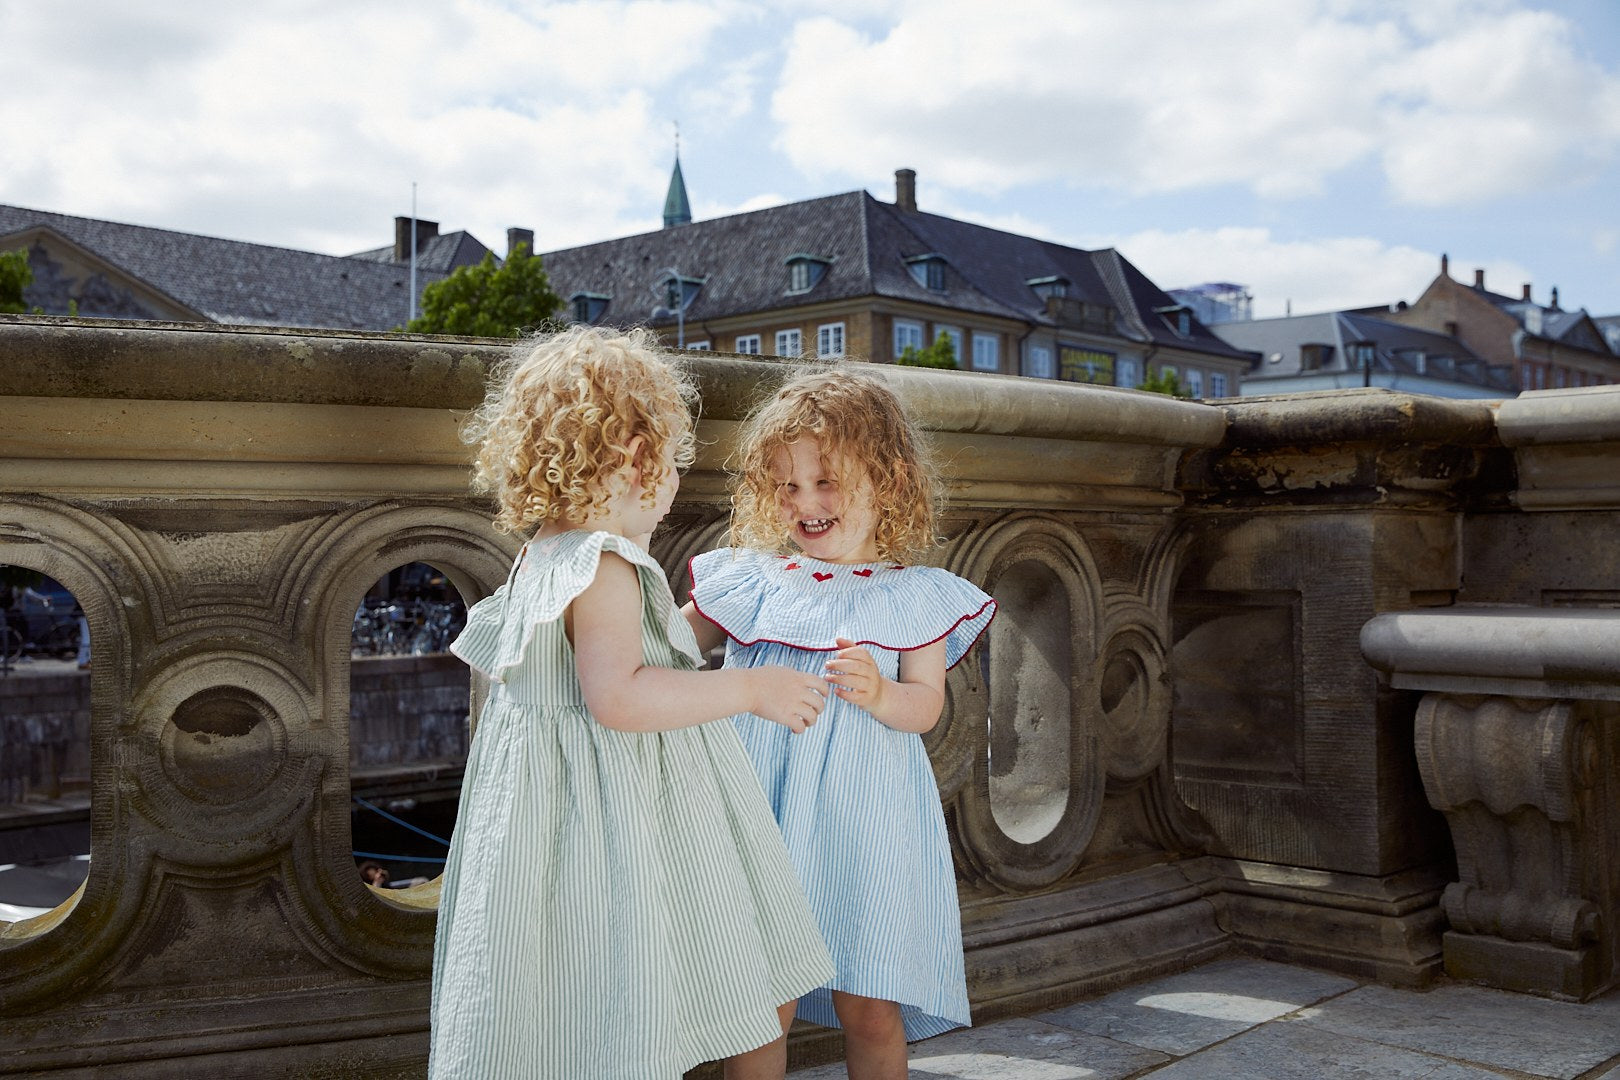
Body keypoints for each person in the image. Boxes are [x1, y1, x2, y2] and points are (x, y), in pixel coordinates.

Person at [429, 326, 835, 1080]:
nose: (675, 481)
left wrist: (699, 623)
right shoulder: (605, 564)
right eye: (672, 461)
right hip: (621, 820)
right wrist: (751, 687)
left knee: (579, 1010)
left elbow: (618, 658)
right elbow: (618, 695)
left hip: (555, 821)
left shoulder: (543, 556)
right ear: (636, 459)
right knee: (746, 985)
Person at [684, 368, 996, 1079]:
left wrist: (882, 695)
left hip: (869, 828)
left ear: (886, 482)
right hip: (764, 817)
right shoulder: (753, 580)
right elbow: (668, 645)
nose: (806, 503)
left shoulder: (914, 595)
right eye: (787, 486)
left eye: (827, 483)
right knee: (764, 1001)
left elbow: (926, 706)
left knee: (871, 1004)